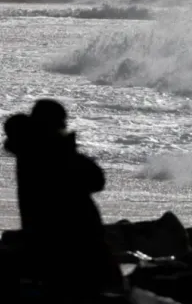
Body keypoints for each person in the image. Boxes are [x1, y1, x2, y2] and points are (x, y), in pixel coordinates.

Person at [3, 99, 126, 301]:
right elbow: (95, 179)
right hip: (72, 242)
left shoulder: (30, 150)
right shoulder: (51, 152)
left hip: (50, 240)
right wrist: (67, 148)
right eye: (61, 123)